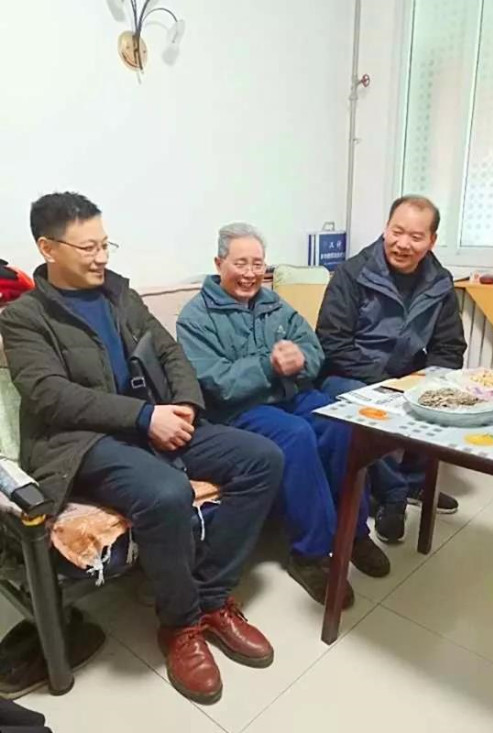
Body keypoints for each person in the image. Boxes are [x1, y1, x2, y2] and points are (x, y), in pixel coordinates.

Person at [0, 193, 285, 706]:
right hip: (81, 441)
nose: (101, 257)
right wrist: (143, 417)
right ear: (48, 247)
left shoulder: (120, 295)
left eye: (105, 244)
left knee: (262, 459)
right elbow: (49, 394)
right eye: (88, 247)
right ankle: (180, 625)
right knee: (166, 491)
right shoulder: (25, 316)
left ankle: (211, 597)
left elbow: (170, 351)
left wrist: (185, 405)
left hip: (152, 420)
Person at [176, 223, 390, 608]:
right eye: (240, 263)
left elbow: (314, 349)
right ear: (219, 264)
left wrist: (301, 359)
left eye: (258, 264)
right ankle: (309, 553)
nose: (250, 273)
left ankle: (353, 532)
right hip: (239, 410)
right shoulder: (195, 317)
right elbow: (216, 382)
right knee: (296, 435)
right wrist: (269, 366)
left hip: (291, 395)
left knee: (342, 423)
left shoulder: (274, 303)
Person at [317, 195, 467, 543]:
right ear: (385, 229)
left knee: (438, 394)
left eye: (415, 237)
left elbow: (449, 347)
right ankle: (394, 494)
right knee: (372, 408)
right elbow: (332, 343)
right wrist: (387, 384)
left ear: (431, 241)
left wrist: (431, 383)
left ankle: (416, 482)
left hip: (403, 372)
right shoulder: (353, 273)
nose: (402, 244)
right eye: (396, 232)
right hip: (347, 374)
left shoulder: (440, 281)